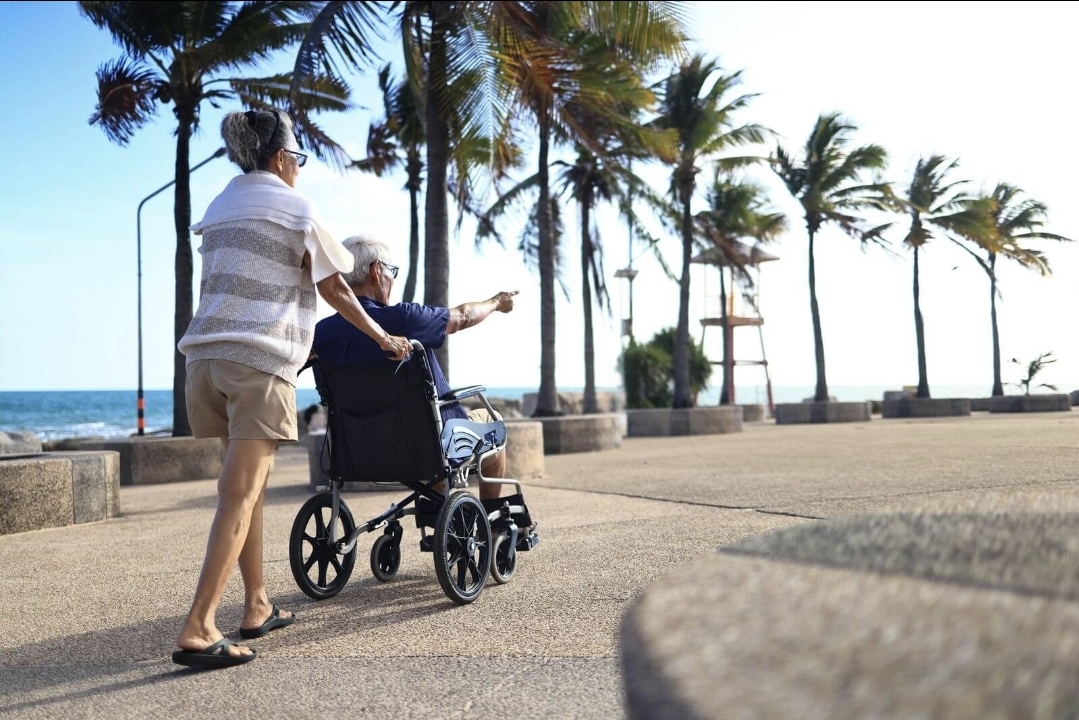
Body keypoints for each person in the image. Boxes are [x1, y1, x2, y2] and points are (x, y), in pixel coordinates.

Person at [172, 108, 412, 670]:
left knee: (244, 490)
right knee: (239, 493)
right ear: (282, 158)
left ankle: (256, 604)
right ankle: (199, 627)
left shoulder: (221, 204)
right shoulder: (295, 207)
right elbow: (337, 287)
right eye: (298, 159)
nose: (300, 169)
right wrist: (382, 337)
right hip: (256, 362)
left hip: (203, 361)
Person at [311, 236, 517, 500]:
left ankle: (440, 515)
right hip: (429, 443)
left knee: (421, 436)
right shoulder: (406, 319)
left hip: (363, 450)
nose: (392, 279)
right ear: (376, 270)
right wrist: (497, 302)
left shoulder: (323, 333)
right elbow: (464, 316)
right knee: (491, 421)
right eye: (391, 271)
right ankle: (492, 520)